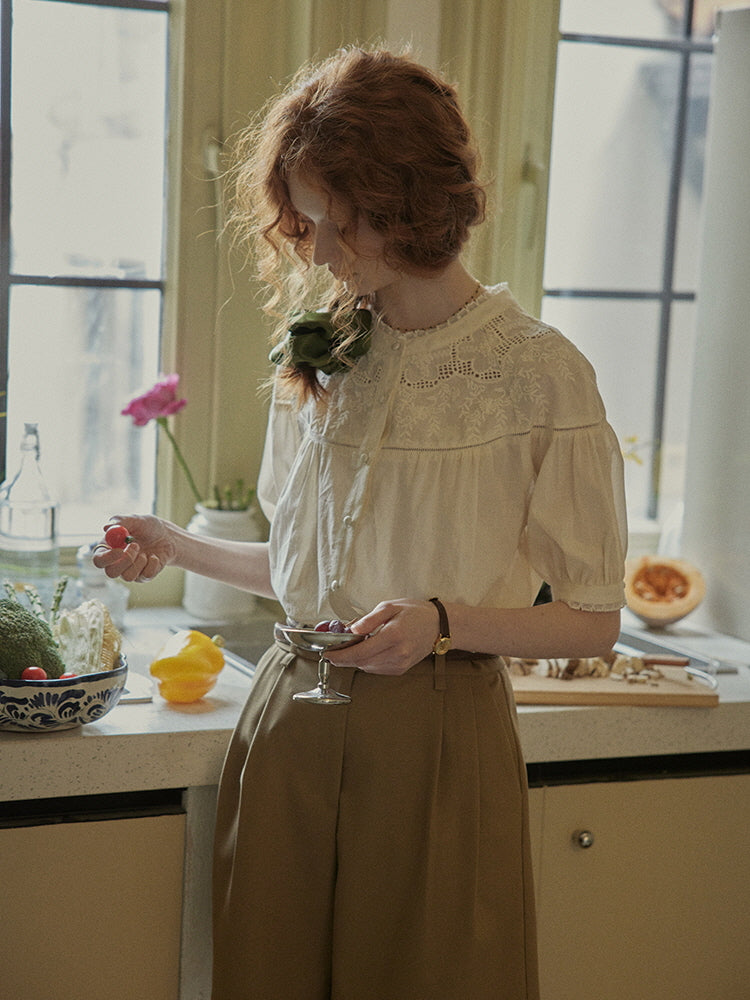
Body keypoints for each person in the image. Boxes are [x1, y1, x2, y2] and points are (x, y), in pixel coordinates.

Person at [95, 47, 627, 1000]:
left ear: (410, 202)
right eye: (305, 223)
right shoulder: (326, 355)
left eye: (336, 222)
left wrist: (444, 623)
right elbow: (309, 573)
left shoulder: (540, 374)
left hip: (437, 740)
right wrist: (173, 544)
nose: (318, 252)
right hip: (287, 725)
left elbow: (593, 620)